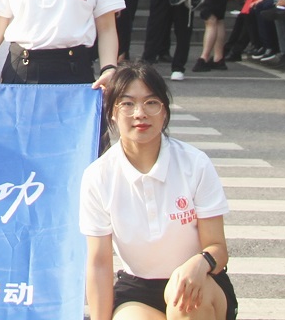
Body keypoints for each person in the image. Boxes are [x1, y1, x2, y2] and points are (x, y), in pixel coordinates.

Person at [81, 63, 237, 320]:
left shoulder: (194, 163)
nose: (140, 113)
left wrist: (200, 263)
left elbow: (217, 248)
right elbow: (99, 263)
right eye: (127, 104)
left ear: (164, 111)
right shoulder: (98, 175)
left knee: (183, 301)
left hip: (200, 279)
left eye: (151, 103)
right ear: (112, 113)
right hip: (138, 289)